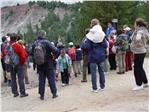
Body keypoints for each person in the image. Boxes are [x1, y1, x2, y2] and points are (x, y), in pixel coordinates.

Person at [81, 18, 107, 92]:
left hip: (93, 56)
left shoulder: (90, 35)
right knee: (101, 71)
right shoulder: (102, 34)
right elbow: (105, 45)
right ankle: (102, 87)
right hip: (101, 55)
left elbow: (87, 46)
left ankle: (94, 88)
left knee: (93, 73)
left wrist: (83, 45)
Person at [32, 30, 59, 100]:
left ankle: (41, 95)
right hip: (48, 63)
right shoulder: (46, 42)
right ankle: (54, 93)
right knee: (51, 79)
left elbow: (31, 52)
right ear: (44, 35)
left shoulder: (35, 43)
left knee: (41, 79)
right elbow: (55, 50)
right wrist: (54, 57)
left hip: (39, 64)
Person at [130, 18, 149, 91]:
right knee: (140, 67)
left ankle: (139, 84)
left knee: (137, 69)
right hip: (140, 51)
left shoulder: (140, 31)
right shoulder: (143, 30)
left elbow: (138, 37)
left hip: (139, 52)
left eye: (135, 24)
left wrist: (138, 38)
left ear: (138, 24)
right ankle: (145, 82)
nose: (134, 25)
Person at [8, 33, 28, 97]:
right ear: (16, 38)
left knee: (13, 78)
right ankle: (22, 92)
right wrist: (22, 63)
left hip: (11, 64)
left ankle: (15, 92)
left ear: (10, 38)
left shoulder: (7, 45)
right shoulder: (18, 46)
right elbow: (23, 56)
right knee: (20, 78)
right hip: (19, 64)